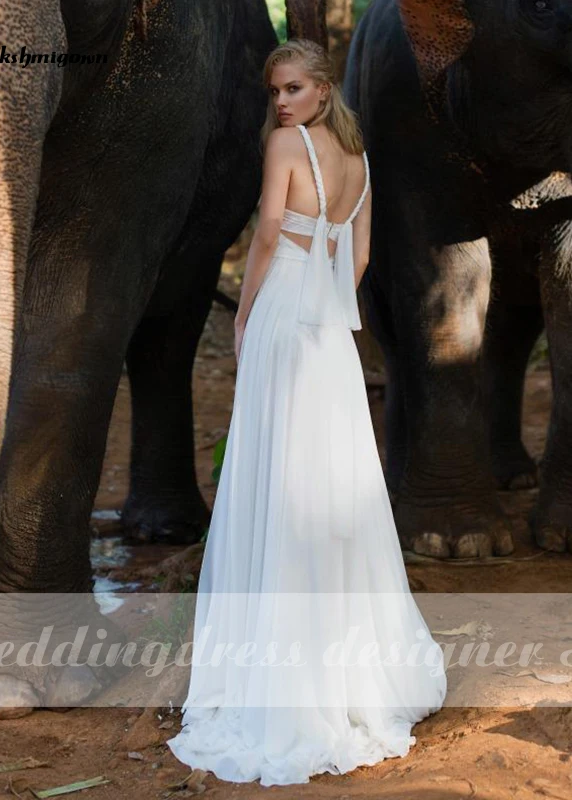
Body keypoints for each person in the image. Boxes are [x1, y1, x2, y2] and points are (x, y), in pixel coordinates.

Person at [167, 38, 446, 786]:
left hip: (288, 312)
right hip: (328, 321)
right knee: (327, 467)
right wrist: (326, 293)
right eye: (274, 92)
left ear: (322, 90)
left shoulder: (288, 145)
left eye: (293, 88)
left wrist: (246, 311)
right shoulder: (358, 161)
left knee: (280, 467)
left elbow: (263, 234)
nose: (281, 103)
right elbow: (356, 256)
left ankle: (275, 668)